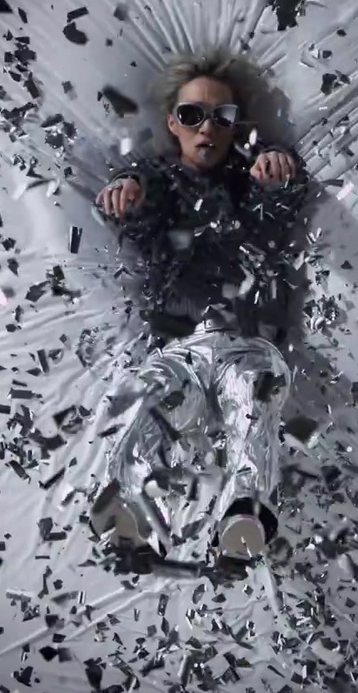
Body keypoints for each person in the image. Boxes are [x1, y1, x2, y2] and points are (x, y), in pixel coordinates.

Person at [88, 47, 312, 571]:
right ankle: (127, 509)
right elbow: (139, 216)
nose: (206, 127)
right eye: (192, 115)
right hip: (179, 349)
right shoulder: (156, 182)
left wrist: (277, 175)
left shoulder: (251, 179)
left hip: (247, 342)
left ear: (236, 126)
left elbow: (275, 220)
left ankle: (243, 516)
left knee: (256, 397)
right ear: (173, 124)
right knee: (148, 398)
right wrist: (128, 195)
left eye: (222, 116)